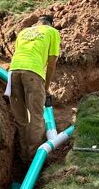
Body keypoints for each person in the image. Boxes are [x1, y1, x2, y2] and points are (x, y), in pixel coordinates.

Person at [8, 15, 61, 163]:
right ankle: (34, 160)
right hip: (33, 73)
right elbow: (51, 63)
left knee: (20, 118)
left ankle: (23, 158)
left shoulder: (24, 32)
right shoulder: (52, 32)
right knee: (36, 118)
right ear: (51, 24)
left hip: (13, 72)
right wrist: (46, 87)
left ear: (37, 23)